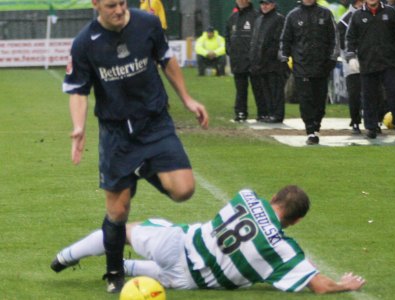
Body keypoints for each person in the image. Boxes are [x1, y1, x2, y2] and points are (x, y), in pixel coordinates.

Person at [58, 0, 208, 293]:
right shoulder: (84, 43)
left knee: (184, 189)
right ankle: (114, 273)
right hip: (117, 135)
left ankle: (144, 169)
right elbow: (78, 90)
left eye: (122, 3)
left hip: (155, 124)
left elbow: (166, 59)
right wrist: (78, 127)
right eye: (111, 5)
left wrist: (187, 99)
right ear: (96, 5)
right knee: (118, 211)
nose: (119, 10)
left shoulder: (147, 23)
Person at [51, 185, 366, 294]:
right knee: (166, 267)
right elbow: (319, 285)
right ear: (296, 220)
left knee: (122, 228)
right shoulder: (282, 251)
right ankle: (125, 268)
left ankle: (66, 256)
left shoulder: (246, 196)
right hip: (190, 280)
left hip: (180, 244)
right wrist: (343, 285)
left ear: (273, 197)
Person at [279, 0, 339, 145]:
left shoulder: (325, 14)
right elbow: (285, 40)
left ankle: (316, 125)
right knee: (306, 100)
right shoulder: (293, 15)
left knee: (319, 101)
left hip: (322, 67)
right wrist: (284, 59)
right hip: (301, 67)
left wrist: (332, 59)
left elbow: (335, 39)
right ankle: (310, 130)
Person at [346, 0, 395, 138]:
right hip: (368, 63)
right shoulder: (357, 15)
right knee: (369, 96)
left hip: (390, 62)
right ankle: (371, 127)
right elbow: (350, 38)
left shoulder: (390, 12)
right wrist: (351, 56)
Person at [249, 0, 287, 123]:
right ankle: (269, 113)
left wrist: (268, 57)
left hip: (273, 63)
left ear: (273, 4)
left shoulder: (279, 19)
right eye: (262, 4)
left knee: (275, 89)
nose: (264, 6)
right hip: (260, 63)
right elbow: (255, 41)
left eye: (267, 3)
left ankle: (277, 114)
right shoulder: (259, 19)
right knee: (265, 90)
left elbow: (277, 41)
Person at [226, 0, 259, 122]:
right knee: (240, 89)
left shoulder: (256, 16)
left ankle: (263, 113)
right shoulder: (233, 17)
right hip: (238, 60)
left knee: (258, 88)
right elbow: (228, 37)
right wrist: (230, 51)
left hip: (253, 60)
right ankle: (240, 112)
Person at [337, 0, 364, 134]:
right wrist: (351, 57)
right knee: (354, 94)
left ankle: (374, 121)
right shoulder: (345, 20)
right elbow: (342, 44)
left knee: (373, 93)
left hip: (370, 61)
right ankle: (355, 121)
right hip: (352, 63)